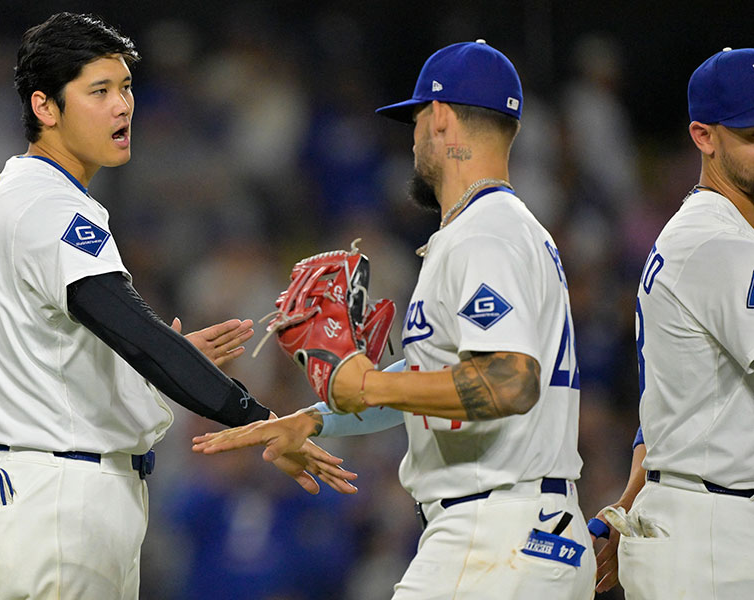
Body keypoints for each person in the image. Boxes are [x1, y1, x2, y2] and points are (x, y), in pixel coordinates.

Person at [0, 12, 356, 600]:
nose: (122, 107)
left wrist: (164, 358)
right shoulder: (48, 204)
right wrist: (262, 422)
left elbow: (84, 357)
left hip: (56, 495)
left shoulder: (30, 197)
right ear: (44, 107)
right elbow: (138, 334)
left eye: (125, 89)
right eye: (99, 91)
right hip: (59, 500)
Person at [193, 40, 595, 599]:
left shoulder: (484, 234)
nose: (411, 139)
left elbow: (510, 379)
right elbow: (437, 377)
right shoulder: (498, 230)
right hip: (521, 533)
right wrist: (314, 419)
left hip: (494, 535)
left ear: (442, 118)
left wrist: (367, 381)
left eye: (415, 120)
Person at [588, 47, 754, 599]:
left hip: (699, 517)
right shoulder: (717, 242)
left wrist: (630, 500)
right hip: (715, 535)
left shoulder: (714, 232)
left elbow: (663, 416)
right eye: (752, 134)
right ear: (704, 136)